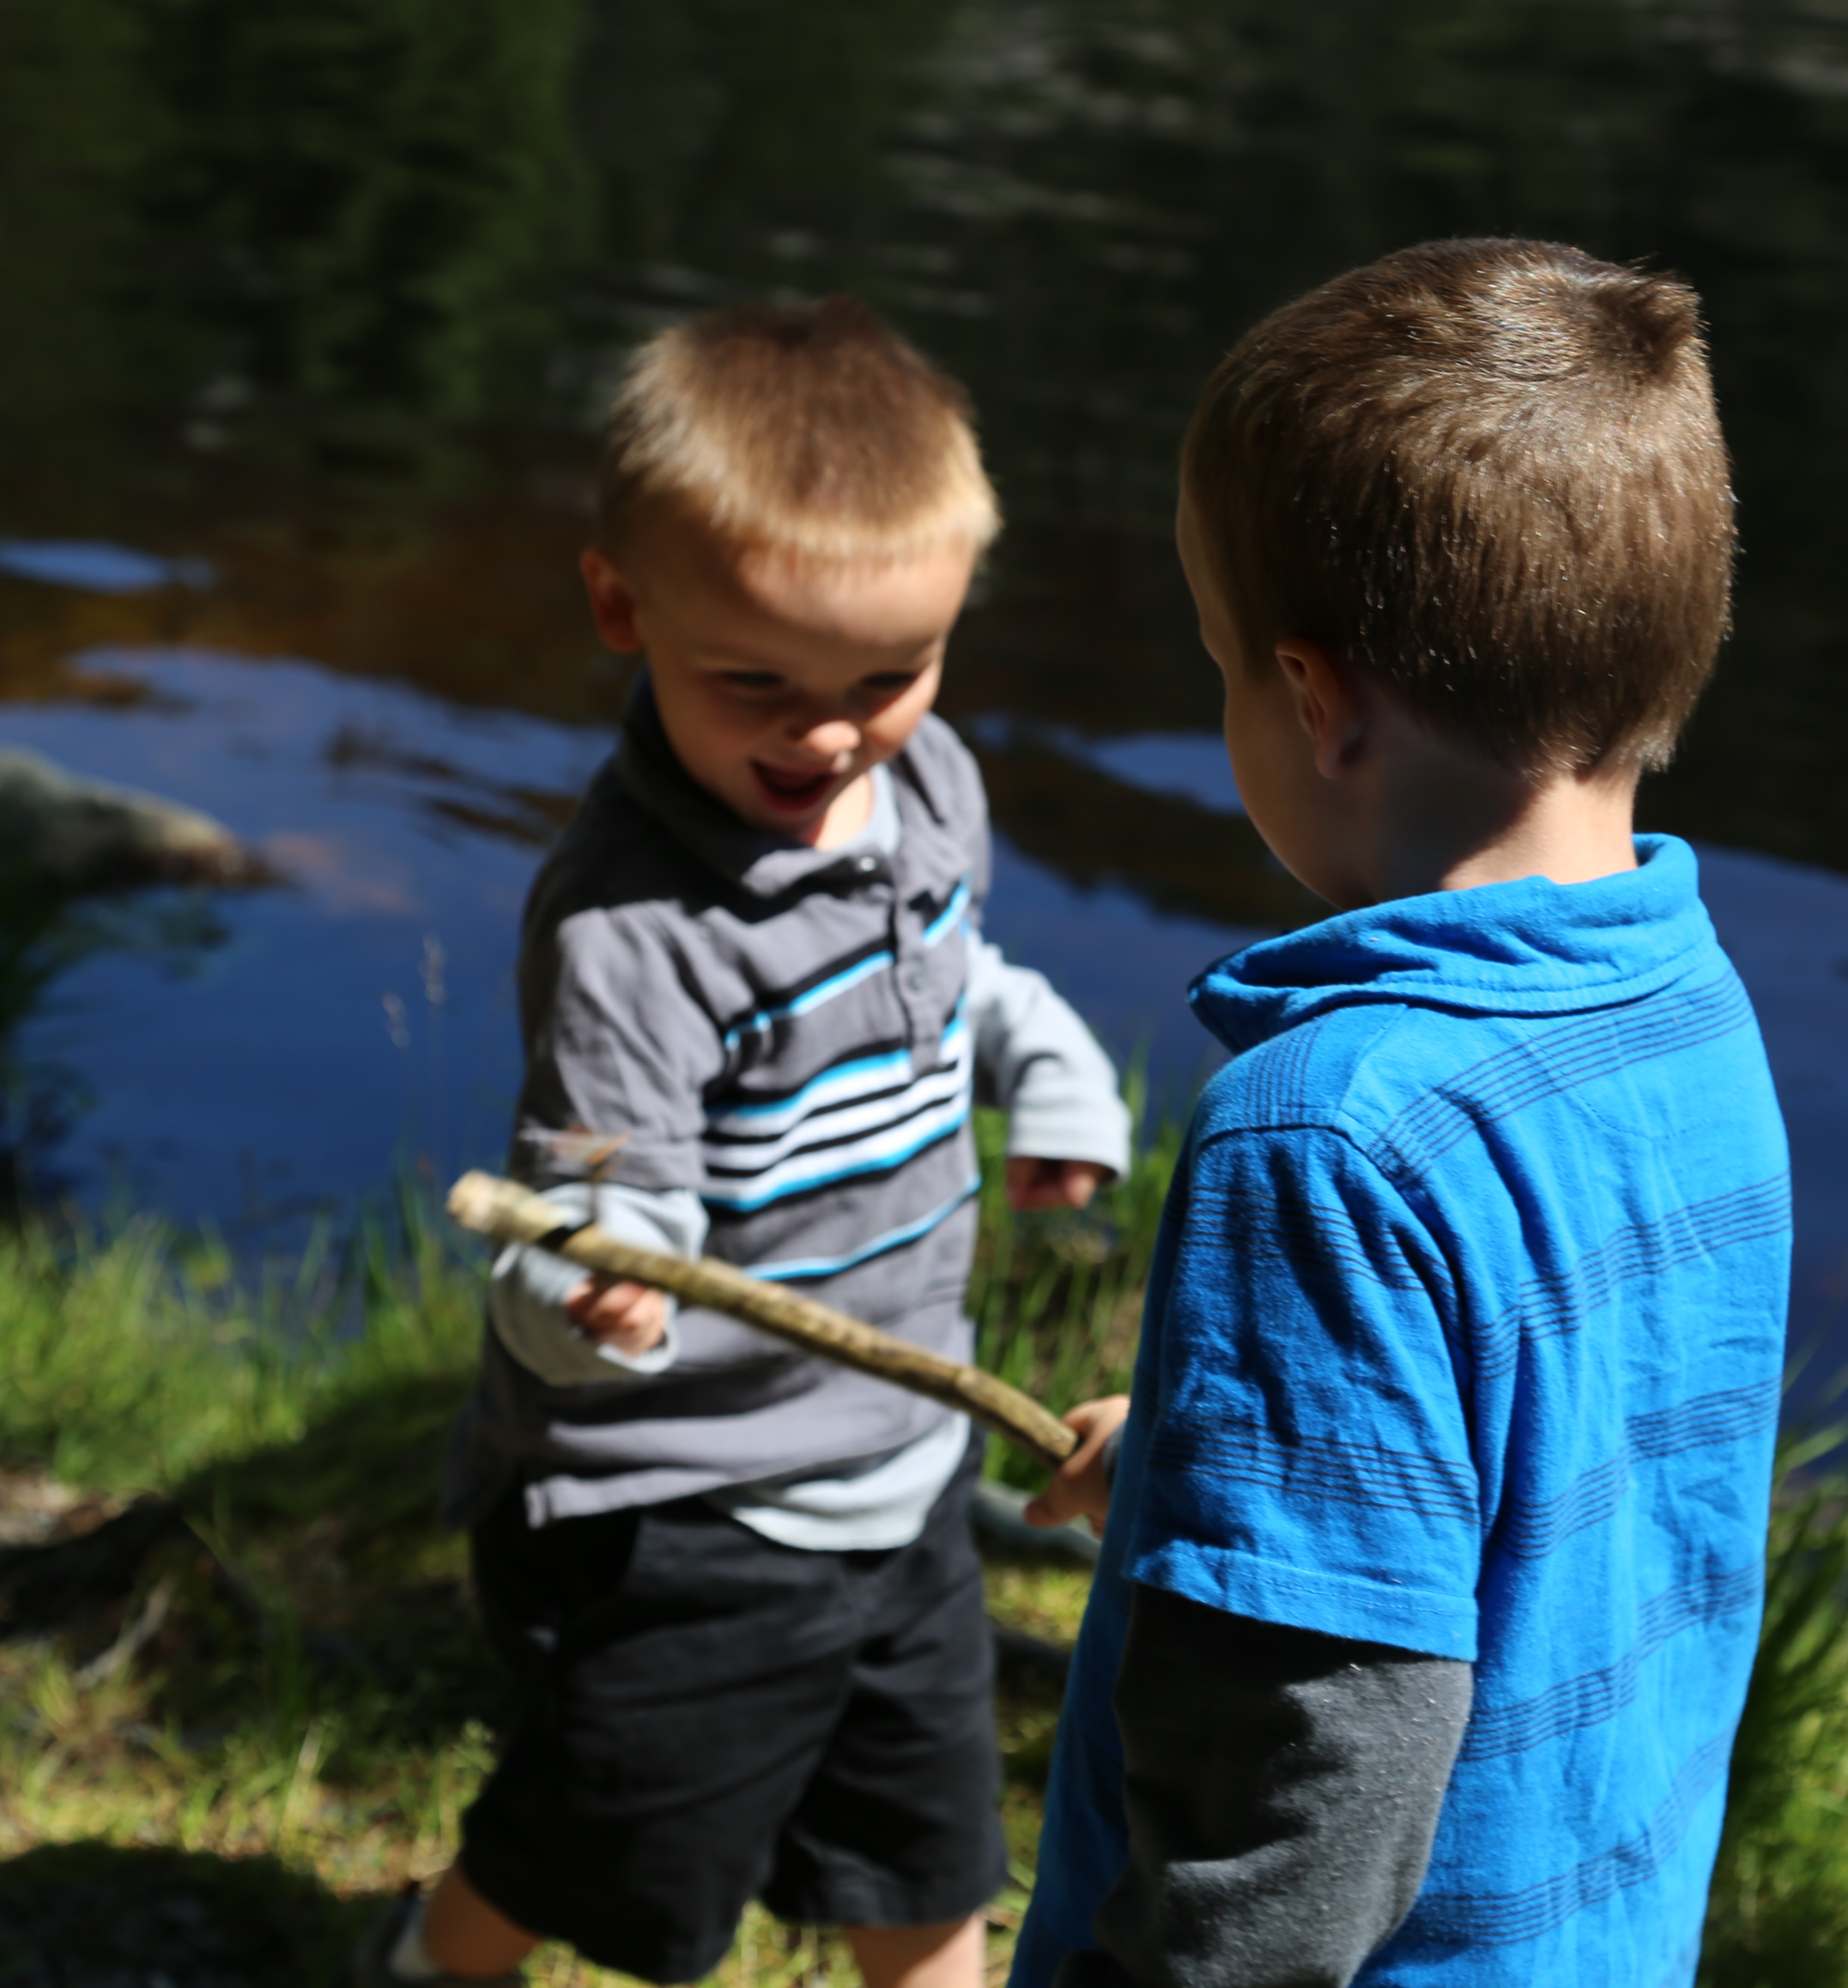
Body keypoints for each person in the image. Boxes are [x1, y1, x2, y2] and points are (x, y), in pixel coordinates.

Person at [1009, 239, 1794, 1988]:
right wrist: (1219, 1466)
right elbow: (1547, 1465)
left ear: (1314, 699)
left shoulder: (1326, 1135)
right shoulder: (1686, 1010)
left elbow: (1308, 1782)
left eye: (1221, 660)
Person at [354, 298, 1133, 1988]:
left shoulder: (932, 797)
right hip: (685, 1507)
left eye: (889, 677)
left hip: (903, 1468)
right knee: (600, 1843)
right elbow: (580, 1225)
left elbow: (951, 983)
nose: (830, 733)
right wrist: (591, 1299)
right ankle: (434, 1961)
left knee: (933, 1869)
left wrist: (1048, 1071)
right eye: (757, 683)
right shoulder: (634, 932)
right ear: (622, 608)